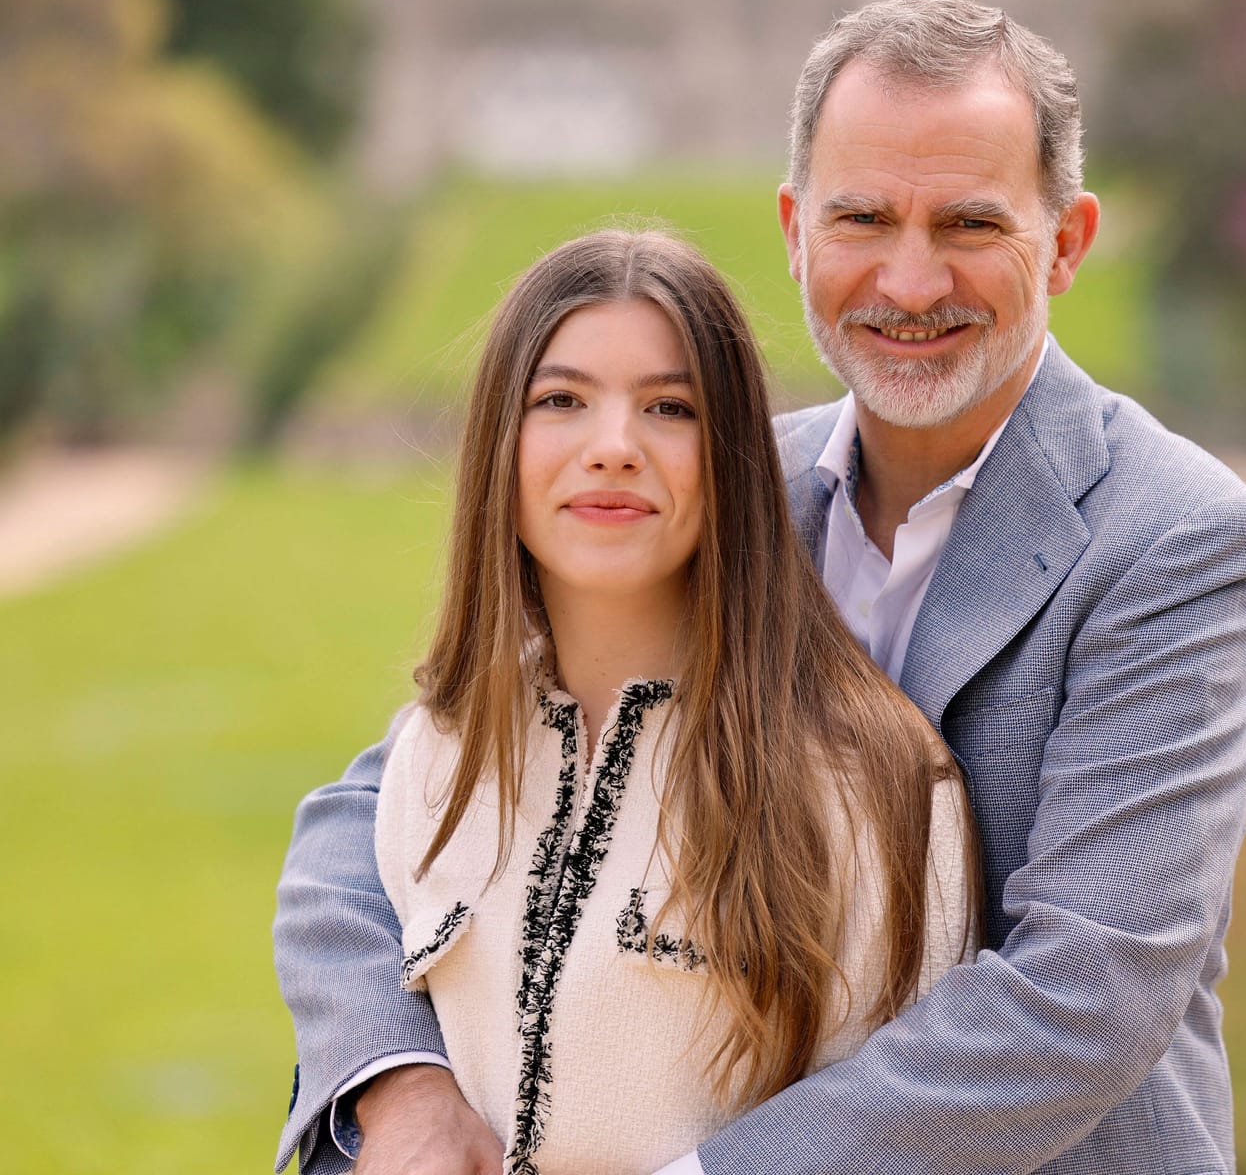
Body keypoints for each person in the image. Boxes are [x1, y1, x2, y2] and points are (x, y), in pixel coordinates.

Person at [276, 0, 1246, 1175]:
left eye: (969, 223)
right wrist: (396, 1088)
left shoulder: (1177, 541)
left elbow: (1083, 997)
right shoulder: (730, 477)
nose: (911, 282)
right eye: (862, 217)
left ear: (1065, 242)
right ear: (797, 228)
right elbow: (380, 805)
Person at [324, 228, 977, 1174]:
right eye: (561, 401)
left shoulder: (873, 779)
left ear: (735, 459)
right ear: (499, 447)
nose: (614, 448)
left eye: (670, 407)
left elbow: (915, 1138)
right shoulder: (437, 751)